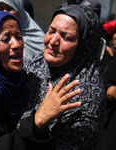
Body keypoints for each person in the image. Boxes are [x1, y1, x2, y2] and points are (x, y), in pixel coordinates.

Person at [0, 10, 82, 150]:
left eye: (18, 36)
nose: (17, 45)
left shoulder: (25, 80)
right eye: (5, 39)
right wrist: (38, 120)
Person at [22, 4, 106, 149]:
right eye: (51, 31)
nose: (53, 41)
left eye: (66, 37)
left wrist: (41, 119)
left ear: (83, 46)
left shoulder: (85, 94)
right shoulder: (36, 64)